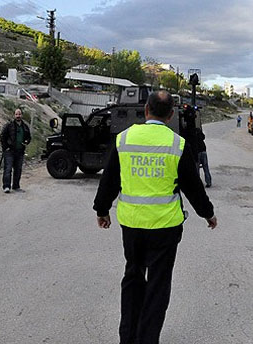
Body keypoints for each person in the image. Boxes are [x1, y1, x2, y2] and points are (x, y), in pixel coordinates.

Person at [93, 90, 217, 344]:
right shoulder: (178, 144)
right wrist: (208, 214)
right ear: (171, 115)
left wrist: (102, 210)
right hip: (165, 228)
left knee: (133, 278)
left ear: (146, 110)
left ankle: (127, 338)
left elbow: (110, 179)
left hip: (132, 226)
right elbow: (193, 186)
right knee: (158, 286)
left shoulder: (124, 139)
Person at [0, 108, 31, 193]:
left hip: (20, 151)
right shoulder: (9, 125)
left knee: (18, 169)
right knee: (8, 169)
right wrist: (5, 148)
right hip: (9, 151)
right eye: (16, 114)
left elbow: (29, 137)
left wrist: (26, 142)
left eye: (19, 114)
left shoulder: (25, 126)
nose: (18, 116)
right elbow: (3, 136)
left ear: (22, 115)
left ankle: (16, 186)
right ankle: (6, 186)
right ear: (14, 115)